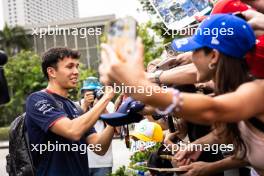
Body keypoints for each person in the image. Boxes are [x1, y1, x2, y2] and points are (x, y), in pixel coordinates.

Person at [99, 14, 264, 175]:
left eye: (194, 50)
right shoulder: (234, 91)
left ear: (213, 56)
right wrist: (201, 151)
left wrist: (145, 90)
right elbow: (246, 149)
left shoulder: (256, 92)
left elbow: (212, 110)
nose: (190, 58)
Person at [25, 47, 115, 175]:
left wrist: (115, 119)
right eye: (70, 67)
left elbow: (99, 148)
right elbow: (72, 131)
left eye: (77, 66)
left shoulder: (75, 107)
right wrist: (105, 99)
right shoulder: (37, 99)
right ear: (51, 72)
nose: (76, 71)